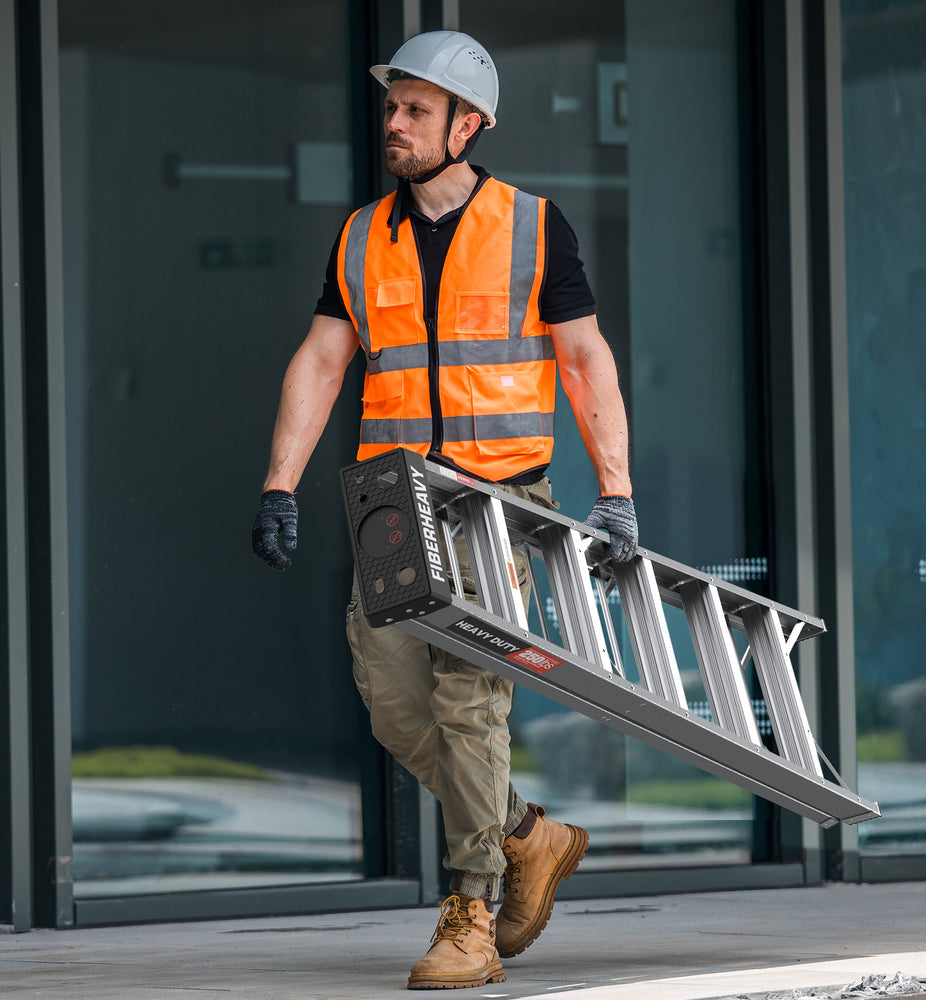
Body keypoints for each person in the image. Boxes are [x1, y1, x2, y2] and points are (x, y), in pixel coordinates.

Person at [252, 30, 638, 991]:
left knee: (470, 703)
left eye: (416, 110)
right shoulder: (360, 234)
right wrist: (279, 485)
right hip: (393, 500)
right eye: (393, 107)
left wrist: (617, 493)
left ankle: (467, 914)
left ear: (469, 124)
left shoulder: (533, 227)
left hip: (495, 501)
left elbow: (586, 362)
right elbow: (321, 362)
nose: (395, 123)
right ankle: (528, 835)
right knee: (392, 703)